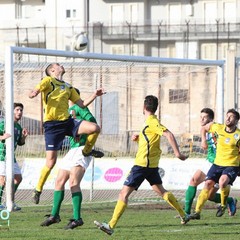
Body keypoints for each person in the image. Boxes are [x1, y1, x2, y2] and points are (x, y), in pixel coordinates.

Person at [94, 95, 189, 236]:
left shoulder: (151, 122)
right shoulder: (150, 122)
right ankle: (183, 214)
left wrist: (178, 154)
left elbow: (168, 134)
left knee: (123, 194)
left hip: (142, 165)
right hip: (151, 165)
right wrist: (138, 139)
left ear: (144, 107)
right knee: (161, 191)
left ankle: (111, 225)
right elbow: (150, 140)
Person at [29, 63, 105, 204]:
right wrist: (34, 93)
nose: (61, 65)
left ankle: (87, 151)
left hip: (67, 122)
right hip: (52, 125)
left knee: (95, 128)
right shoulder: (48, 81)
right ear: (52, 70)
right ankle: (38, 188)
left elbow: (81, 104)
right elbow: (37, 88)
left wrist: (95, 94)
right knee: (51, 162)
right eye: (58, 65)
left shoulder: (68, 86)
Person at [40, 90, 97, 229]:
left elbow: (93, 124)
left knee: (73, 182)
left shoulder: (79, 108)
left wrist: (81, 132)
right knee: (59, 180)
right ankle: (54, 215)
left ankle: (77, 218)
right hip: (72, 150)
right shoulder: (66, 112)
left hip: (82, 149)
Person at [183, 108, 237, 217]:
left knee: (210, 196)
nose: (201, 119)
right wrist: (203, 140)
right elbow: (203, 129)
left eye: (204, 117)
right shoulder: (207, 128)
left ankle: (229, 200)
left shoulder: (218, 129)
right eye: (200, 117)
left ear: (211, 119)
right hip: (210, 161)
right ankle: (186, 213)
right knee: (194, 180)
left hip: (223, 163)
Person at [0, 103, 28, 211]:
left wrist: (24, 137)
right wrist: (3, 136)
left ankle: (9, 201)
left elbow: (20, 143)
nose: (19, 112)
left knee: (18, 178)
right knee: (2, 180)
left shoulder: (18, 127)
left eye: (21, 110)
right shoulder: (4, 123)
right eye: (17, 110)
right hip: (1, 155)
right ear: (11, 111)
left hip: (11, 156)